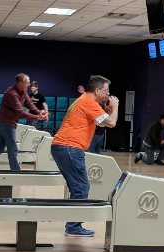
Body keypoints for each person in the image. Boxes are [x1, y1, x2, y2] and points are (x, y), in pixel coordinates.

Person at [51, 75, 119, 237]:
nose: (108, 95)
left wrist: (107, 111)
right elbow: (111, 123)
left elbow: (102, 122)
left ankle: (73, 224)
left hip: (63, 147)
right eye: (106, 91)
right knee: (81, 187)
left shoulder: (85, 101)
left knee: (78, 188)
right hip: (69, 147)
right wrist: (115, 107)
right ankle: (73, 226)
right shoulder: (89, 102)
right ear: (97, 90)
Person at [0, 73, 48, 170]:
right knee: (13, 149)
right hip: (6, 123)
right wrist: (37, 117)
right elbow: (20, 112)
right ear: (20, 83)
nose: (29, 84)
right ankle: (16, 172)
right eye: (27, 82)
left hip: (6, 122)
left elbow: (29, 104)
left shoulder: (23, 91)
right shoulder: (12, 93)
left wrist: (39, 111)